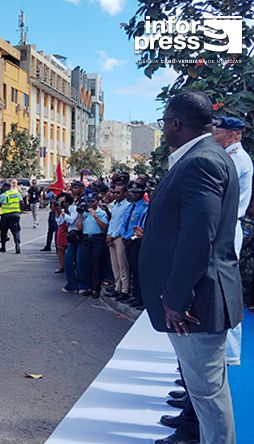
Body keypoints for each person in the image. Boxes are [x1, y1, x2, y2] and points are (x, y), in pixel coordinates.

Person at [139, 91, 242, 444]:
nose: (163, 128)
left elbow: (200, 236)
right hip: (197, 298)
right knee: (204, 390)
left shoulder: (201, 161)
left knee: (209, 395)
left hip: (196, 301)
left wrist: (177, 298)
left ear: (176, 123)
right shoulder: (203, 156)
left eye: (164, 121)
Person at [214, 116, 253, 366]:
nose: (214, 136)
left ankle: (228, 354)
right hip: (225, 226)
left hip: (226, 227)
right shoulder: (231, 157)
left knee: (224, 289)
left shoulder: (235, 159)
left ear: (234, 135)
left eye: (219, 132)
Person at [117, 181, 148, 310]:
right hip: (127, 241)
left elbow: (141, 227)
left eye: (137, 193)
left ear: (142, 193)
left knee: (139, 271)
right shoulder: (130, 207)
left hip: (136, 241)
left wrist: (132, 238)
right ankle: (135, 296)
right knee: (132, 271)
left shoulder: (145, 208)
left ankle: (141, 299)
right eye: (132, 192)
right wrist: (124, 236)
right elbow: (125, 223)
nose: (134, 195)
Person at [75, 194, 109, 298]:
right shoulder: (85, 213)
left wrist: (95, 216)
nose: (90, 203)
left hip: (97, 239)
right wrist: (80, 215)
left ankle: (95, 288)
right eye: (88, 202)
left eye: (92, 201)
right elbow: (79, 228)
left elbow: (104, 227)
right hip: (86, 239)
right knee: (86, 263)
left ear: (97, 201)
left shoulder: (101, 213)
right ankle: (88, 287)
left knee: (96, 263)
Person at [105, 185, 130, 301]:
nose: (115, 195)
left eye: (118, 193)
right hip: (112, 236)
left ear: (125, 194)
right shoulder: (115, 205)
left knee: (122, 265)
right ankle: (117, 287)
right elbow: (112, 221)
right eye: (114, 193)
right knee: (114, 265)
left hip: (119, 237)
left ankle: (125, 290)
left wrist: (113, 235)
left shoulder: (127, 206)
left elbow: (122, 224)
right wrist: (109, 235)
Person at [0, 180, 22, 254]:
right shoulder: (17, 193)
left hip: (6, 215)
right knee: (16, 231)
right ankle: (17, 245)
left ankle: (3, 247)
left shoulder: (4, 195)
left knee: (3, 231)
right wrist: (20, 210)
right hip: (15, 215)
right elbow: (22, 202)